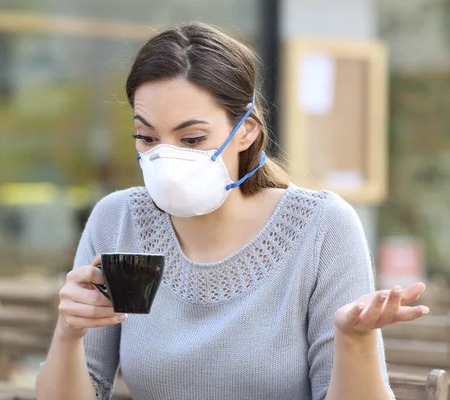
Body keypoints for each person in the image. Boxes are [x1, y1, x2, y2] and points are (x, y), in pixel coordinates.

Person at [36, 22, 429, 400]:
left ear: (247, 130)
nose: (166, 158)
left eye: (192, 139)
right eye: (147, 137)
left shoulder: (322, 228)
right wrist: (69, 332)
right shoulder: (118, 220)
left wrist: (353, 339)